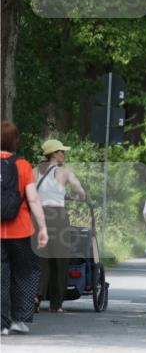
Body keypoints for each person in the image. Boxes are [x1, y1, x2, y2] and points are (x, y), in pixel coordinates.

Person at [1, 121, 49, 335]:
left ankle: (1, 324)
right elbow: (34, 200)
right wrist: (43, 228)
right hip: (20, 229)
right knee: (25, 273)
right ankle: (18, 319)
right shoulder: (23, 165)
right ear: (15, 141)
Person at [33, 139, 86, 313]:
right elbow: (81, 192)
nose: (64, 154)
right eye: (61, 151)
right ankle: (56, 305)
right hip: (58, 217)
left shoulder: (34, 171)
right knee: (60, 261)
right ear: (54, 153)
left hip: (38, 216)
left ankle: (37, 296)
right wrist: (77, 198)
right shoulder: (64, 172)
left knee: (41, 259)